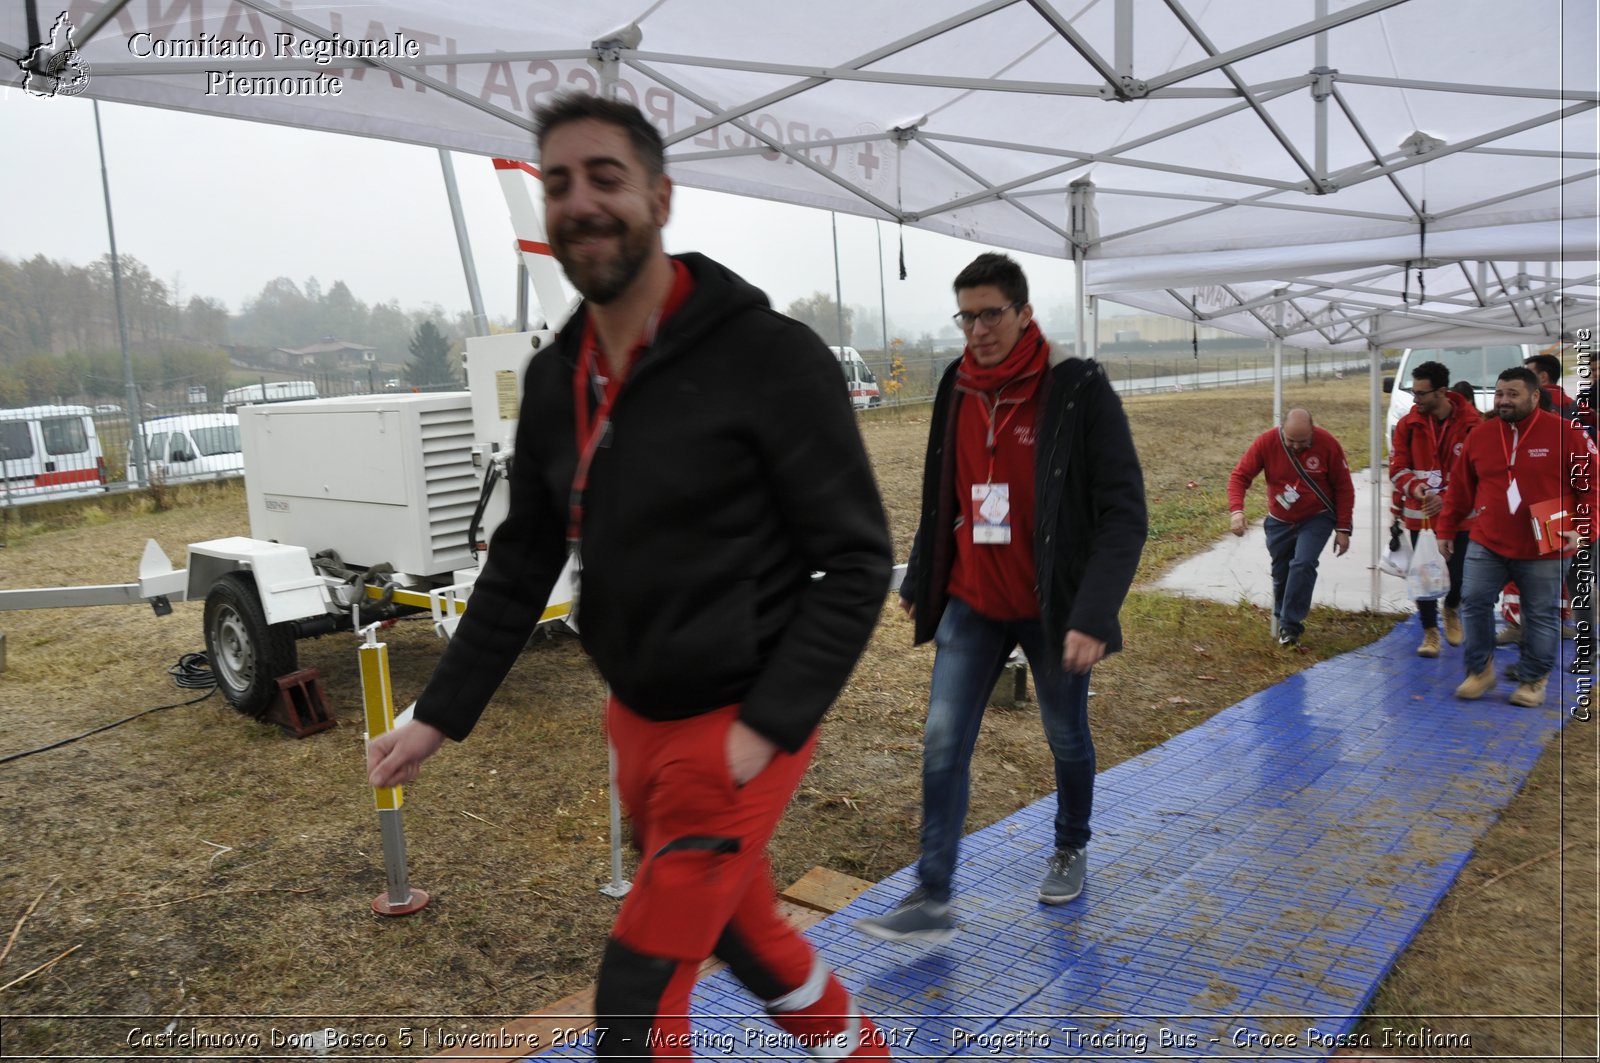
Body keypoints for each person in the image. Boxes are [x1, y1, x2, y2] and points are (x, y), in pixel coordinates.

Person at [367, 94, 895, 1060]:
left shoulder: (768, 357)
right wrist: (438, 711)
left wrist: (765, 726)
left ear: (660, 195)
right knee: (742, 931)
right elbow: (525, 551)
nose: (580, 202)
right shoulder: (557, 374)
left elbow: (856, 560)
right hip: (635, 724)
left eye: (605, 177)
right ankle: (862, 1051)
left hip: (737, 735)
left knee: (634, 1004)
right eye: (559, 183)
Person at [853, 252, 1147, 943]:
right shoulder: (957, 383)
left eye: (991, 314)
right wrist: (924, 570)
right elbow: (943, 489)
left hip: (1052, 610)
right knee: (942, 740)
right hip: (972, 600)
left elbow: (1124, 512)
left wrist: (1094, 612)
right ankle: (933, 893)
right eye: (967, 315)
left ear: (1023, 313)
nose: (978, 329)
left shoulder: (1075, 389)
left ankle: (1071, 843)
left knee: (1065, 734)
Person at [1437, 366, 1596, 706]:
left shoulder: (1568, 434)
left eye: (1512, 394)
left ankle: (1533, 679)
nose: (1503, 400)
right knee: (1475, 600)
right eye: (1499, 394)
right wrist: (1446, 527)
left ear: (1535, 396)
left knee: (1540, 613)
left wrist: (1584, 531)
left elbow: (1592, 488)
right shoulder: (1481, 435)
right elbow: (1461, 488)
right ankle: (1480, 671)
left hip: (1546, 545)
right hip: (1488, 539)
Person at [1226, 409, 1355, 647]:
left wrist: (1343, 528)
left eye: (1303, 442)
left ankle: (1290, 627)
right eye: (1290, 441)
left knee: (1303, 563)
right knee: (1282, 572)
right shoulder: (1266, 442)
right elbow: (1239, 476)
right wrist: (1237, 511)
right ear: (1282, 431)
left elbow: (1344, 488)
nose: (1296, 446)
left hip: (1317, 516)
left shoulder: (1328, 445)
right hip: (1280, 520)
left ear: (1313, 432)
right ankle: (1283, 615)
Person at [1390, 361, 1479, 656]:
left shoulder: (1472, 424)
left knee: (1459, 575)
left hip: (1461, 519)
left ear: (1442, 392)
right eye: (1413, 392)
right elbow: (1397, 467)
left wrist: (1449, 496)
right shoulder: (1408, 425)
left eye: (1421, 393)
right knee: (1424, 574)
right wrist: (1416, 488)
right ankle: (1430, 632)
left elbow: (1479, 473)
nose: (1415, 399)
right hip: (1422, 517)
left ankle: (1451, 607)